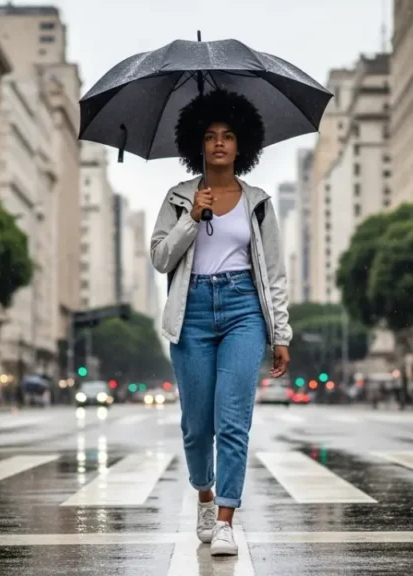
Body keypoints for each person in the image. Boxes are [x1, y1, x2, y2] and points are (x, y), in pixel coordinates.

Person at [150, 89, 292, 557]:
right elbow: (159, 257)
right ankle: (205, 497)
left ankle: (227, 518)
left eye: (228, 136)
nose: (219, 144)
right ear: (198, 143)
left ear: (241, 145)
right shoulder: (177, 198)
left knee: (233, 421)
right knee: (196, 425)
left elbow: (273, 272)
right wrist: (191, 218)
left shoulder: (258, 202)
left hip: (242, 311)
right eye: (210, 136)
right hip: (190, 313)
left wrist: (281, 335)